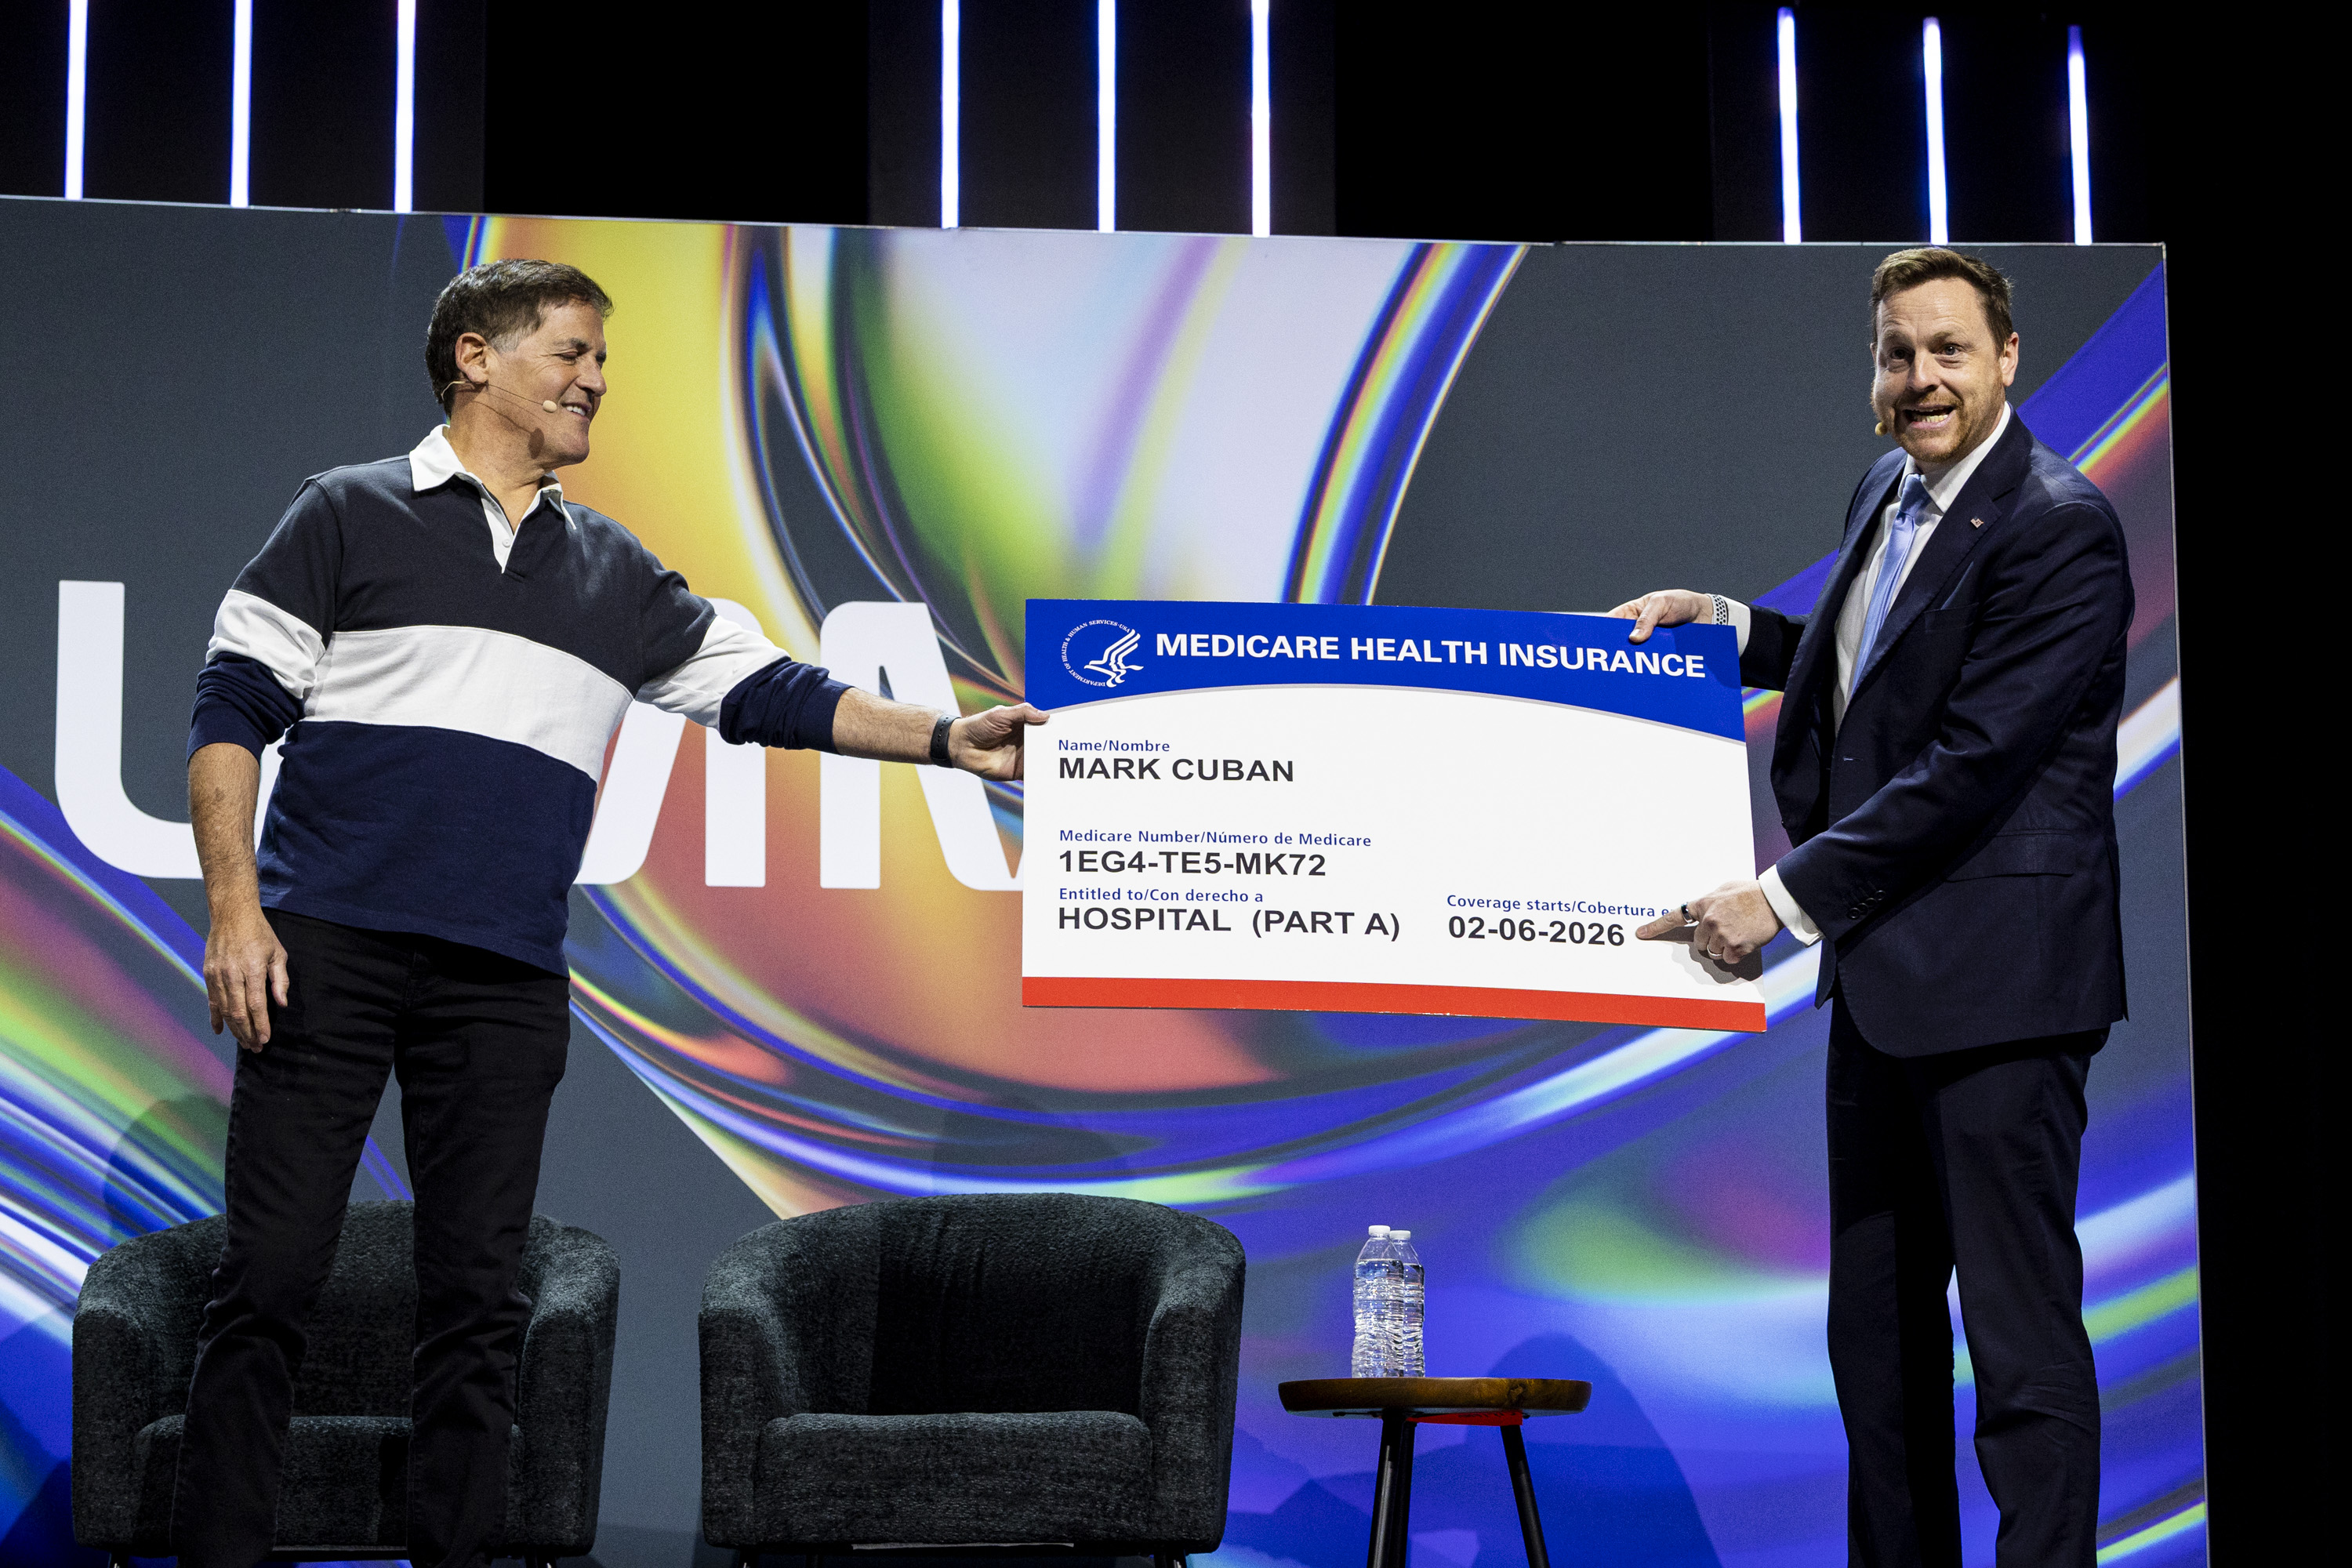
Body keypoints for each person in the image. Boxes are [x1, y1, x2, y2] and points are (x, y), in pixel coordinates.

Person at [174, 258, 1046, 1568]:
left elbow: (772, 692)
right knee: (272, 1282)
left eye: (601, 362)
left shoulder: (616, 573)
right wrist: (236, 912)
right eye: (571, 353)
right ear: (475, 358)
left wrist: (941, 738)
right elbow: (229, 714)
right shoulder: (346, 516)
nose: (595, 381)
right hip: (327, 954)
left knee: (476, 1301)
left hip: (502, 978)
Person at [1613, 249, 2129, 1567]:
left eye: (1949, 351)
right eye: (1899, 355)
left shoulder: (2059, 525)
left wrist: (1778, 905)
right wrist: (1731, 626)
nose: (1922, 380)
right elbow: (1873, 668)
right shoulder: (1886, 491)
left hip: (2005, 999)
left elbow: (1970, 763)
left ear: (2008, 358)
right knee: (1879, 1358)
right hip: (1888, 991)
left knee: (2017, 1358)